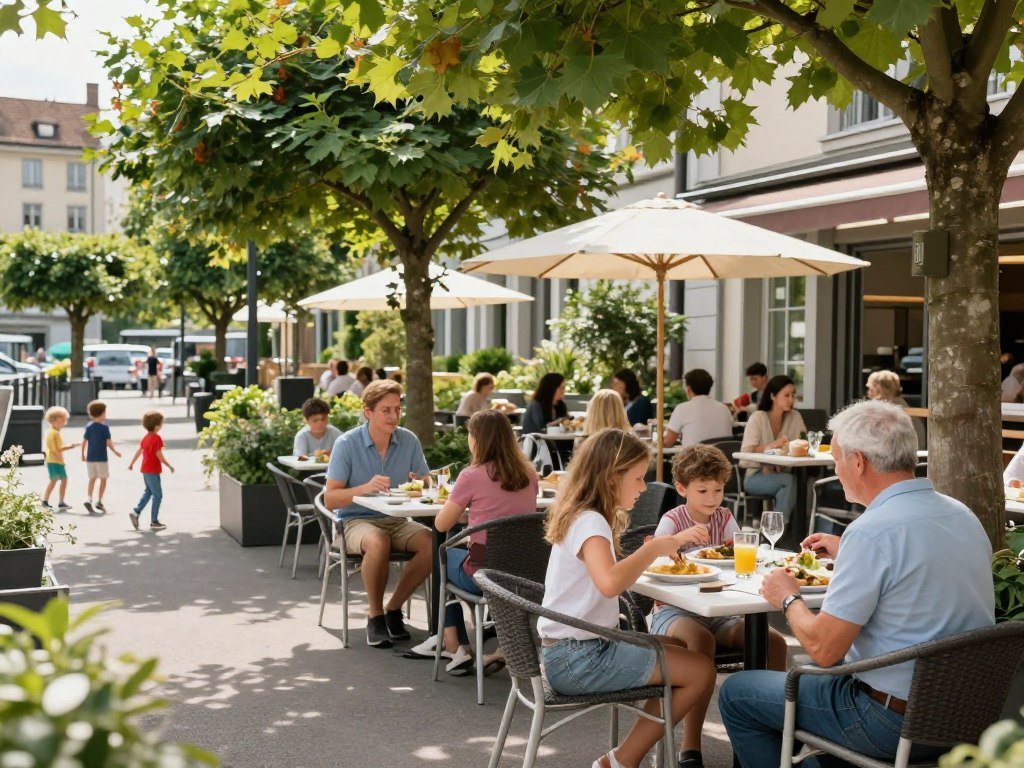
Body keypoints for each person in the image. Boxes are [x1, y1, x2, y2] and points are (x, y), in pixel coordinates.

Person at [719, 400, 995, 768]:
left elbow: (824, 649)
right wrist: (846, 549)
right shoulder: (962, 515)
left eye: (837, 460)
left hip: (891, 721)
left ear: (859, 461)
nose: (836, 468)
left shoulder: (871, 533)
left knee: (739, 693)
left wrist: (788, 599)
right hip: (969, 715)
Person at [541, 428, 716, 768]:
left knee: (681, 651)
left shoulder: (584, 515)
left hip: (571, 649)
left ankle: (628, 755)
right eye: (637, 478)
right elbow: (609, 583)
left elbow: (606, 577)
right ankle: (622, 760)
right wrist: (653, 549)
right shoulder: (591, 522)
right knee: (700, 671)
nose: (643, 487)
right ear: (610, 478)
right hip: (580, 658)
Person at [650, 446, 788, 755]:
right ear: (682, 488)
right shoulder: (673, 521)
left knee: (774, 642)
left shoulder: (724, 517)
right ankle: (691, 744)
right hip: (674, 610)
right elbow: (656, 563)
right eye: (703, 490)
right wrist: (676, 546)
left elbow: (741, 554)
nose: (712, 498)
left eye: (718, 489)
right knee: (702, 643)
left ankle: (773, 731)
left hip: (718, 609)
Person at [408, 409, 539, 672]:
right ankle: (502, 643)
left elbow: (441, 524)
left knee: (442, 558)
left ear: (478, 439)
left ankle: (454, 644)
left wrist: (465, 507)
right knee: (475, 556)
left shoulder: (472, 475)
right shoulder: (529, 474)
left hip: (484, 575)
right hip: (524, 575)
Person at [324, 380, 432, 649]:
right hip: (355, 520)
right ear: (368, 412)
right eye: (386, 410)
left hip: (396, 519)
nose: (394, 416)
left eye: (397, 409)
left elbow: (426, 480)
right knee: (377, 540)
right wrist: (365, 488)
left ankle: (393, 608)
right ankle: (375, 616)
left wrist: (421, 482)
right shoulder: (346, 444)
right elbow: (330, 498)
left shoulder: (408, 440)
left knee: (433, 543)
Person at [738, 375, 806, 522]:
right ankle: (778, 529)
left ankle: (776, 530)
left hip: (784, 473)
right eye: (786, 395)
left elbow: (804, 444)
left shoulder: (795, 417)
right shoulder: (758, 418)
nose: (791, 399)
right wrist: (771, 446)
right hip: (755, 476)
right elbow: (745, 453)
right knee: (790, 483)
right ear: (773, 396)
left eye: (793, 395)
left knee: (799, 484)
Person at [127, 410, 175, 531]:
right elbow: (159, 454)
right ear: (157, 426)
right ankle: (154, 521)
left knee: (149, 492)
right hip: (153, 470)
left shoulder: (146, 437)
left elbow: (139, 451)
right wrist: (168, 465)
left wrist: (132, 463)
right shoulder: (157, 438)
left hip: (145, 470)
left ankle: (136, 512)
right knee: (158, 495)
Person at [664, 369, 734, 448]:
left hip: (694, 459)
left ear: (688, 389)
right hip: (722, 458)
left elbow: (667, 442)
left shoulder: (682, 409)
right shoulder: (724, 409)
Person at [865, 370, 925, 448]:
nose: (868, 393)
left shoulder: (888, 410)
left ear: (879, 389)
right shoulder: (899, 405)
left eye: (870, 389)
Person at [81, 400, 122, 514]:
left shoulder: (89, 427)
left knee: (92, 479)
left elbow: (84, 441)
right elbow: (108, 443)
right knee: (103, 479)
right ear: (102, 413)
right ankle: (99, 501)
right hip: (102, 458)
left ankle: (89, 498)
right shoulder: (104, 428)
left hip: (90, 458)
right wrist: (115, 452)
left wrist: (82, 454)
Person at [42, 406, 77, 511]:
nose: (64, 422)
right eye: (63, 419)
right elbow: (55, 449)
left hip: (54, 461)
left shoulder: (54, 432)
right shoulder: (53, 433)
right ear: (55, 420)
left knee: (59, 480)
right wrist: (69, 447)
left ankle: (56, 501)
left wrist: (70, 445)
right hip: (54, 461)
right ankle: (48, 501)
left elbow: (57, 448)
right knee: (56, 480)